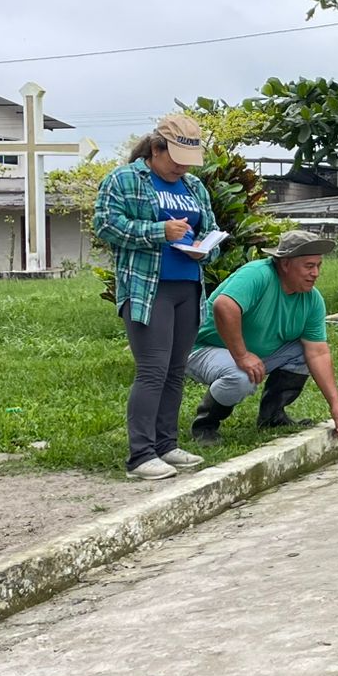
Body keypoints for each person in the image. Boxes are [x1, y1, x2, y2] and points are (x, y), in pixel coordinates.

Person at [93, 115, 220, 481]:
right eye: (175, 159)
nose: (182, 167)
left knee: (176, 371)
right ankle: (141, 455)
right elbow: (106, 225)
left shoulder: (193, 186)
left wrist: (205, 248)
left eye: (188, 161)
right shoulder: (124, 179)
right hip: (148, 288)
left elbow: (210, 229)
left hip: (188, 286)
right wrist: (158, 231)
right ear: (155, 149)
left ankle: (166, 444)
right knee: (153, 370)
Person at [186, 230, 338, 443]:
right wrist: (242, 356)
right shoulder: (257, 274)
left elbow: (318, 353)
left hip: (252, 355)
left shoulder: (312, 300)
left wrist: (335, 405)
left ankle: (272, 417)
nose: (315, 273)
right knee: (241, 377)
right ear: (285, 264)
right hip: (201, 348)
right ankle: (205, 425)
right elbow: (224, 306)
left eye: (319, 266)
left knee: (303, 351)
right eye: (309, 266)